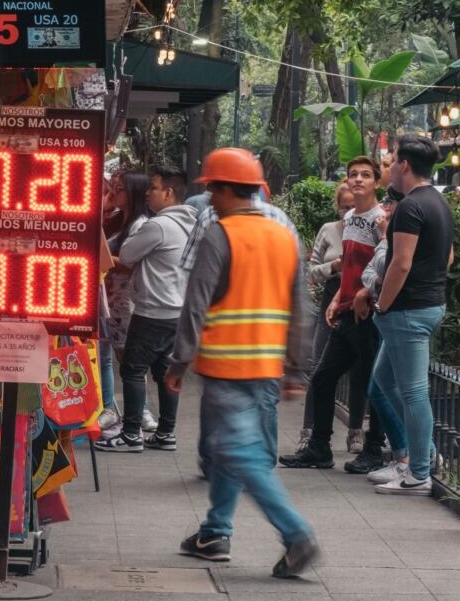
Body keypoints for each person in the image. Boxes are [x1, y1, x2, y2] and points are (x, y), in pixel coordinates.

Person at [166, 148, 318, 577]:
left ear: (229, 189)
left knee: (238, 451)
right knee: (228, 450)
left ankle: (296, 534)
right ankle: (215, 531)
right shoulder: (283, 236)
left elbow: (195, 306)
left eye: (213, 187)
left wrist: (178, 363)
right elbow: (299, 308)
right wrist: (295, 370)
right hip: (267, 367)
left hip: (226, 367)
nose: (209, 196)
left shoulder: (221, 234)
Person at [280, 157, 388, 473]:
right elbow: (352, 267)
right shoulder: (353, 217)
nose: (357, 180)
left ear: (377, 183)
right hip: (345, 311)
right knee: (323, 377)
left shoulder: (380, 218)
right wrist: (339, 297)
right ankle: (319, 447)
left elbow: (384, 265)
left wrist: (364, 296)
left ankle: (373, 449)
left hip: (368, 313)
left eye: (365, 175)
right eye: (353, 174)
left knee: (373, 384)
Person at [370, 135, 453, 495]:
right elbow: (446, 259)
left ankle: (419, 473)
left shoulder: (410, 206)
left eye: (390, 161)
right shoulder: (438, 202)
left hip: (408, 310)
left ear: (404, 164)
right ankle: (421, 457)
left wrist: (383, 305)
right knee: (383, 382)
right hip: (425, 305)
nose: (387, 168)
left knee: (414, 392)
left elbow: (400, 265)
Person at [95, 166, 196, 453]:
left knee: (132, 369)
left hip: (153, 310)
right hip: (177, 310)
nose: (149, 193)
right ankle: (165, 433)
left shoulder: (159, 225)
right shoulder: (191, 223)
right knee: (165, 371)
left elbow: (126, 255)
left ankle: (130, 434)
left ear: (169, 192)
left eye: (153, 187)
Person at [299, 181, 354, 447]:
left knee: (360, 370)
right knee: (318, 366)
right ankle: (310, 431)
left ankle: (356, 432)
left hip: (358, 303)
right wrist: (333, 266)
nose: (348, 212)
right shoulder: (329, 231)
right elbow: (311, 272)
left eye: (353, 206)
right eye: (344, 207)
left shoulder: (374, 228)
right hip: (330, 301)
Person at [99, 171, 151, 435]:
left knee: (128, 359)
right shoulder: (117, 219)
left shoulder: (141, 225)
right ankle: (113, 408)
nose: (113, 194)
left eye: (118, 190)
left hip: (124, 300)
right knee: (106, 355)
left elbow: (132, 264)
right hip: (108, 298)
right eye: (111, 189)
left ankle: (139, 412)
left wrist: (107, 257)